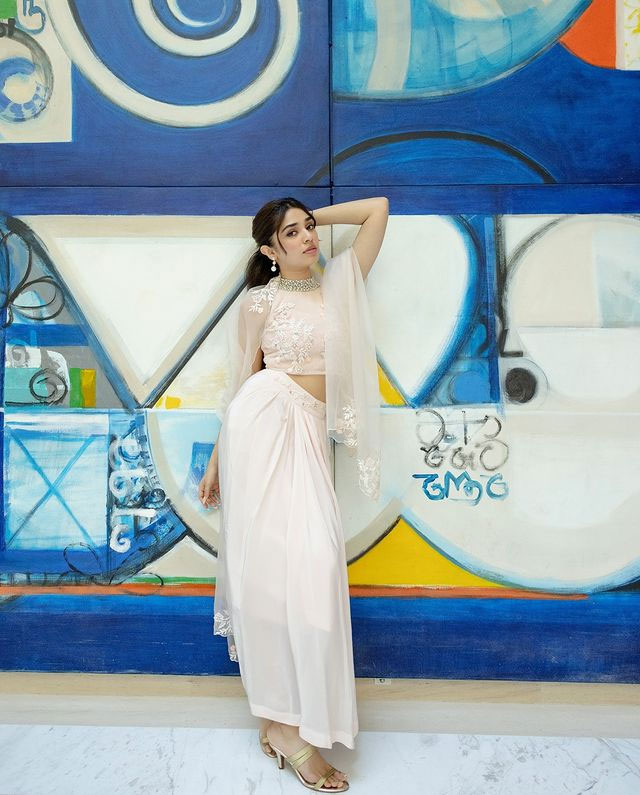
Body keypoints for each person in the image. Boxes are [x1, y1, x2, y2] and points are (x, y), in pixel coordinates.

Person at [199, 196, 388, 791]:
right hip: (260, 426)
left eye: (309, 228)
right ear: (268, 249)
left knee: (316, 565)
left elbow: (378, 210)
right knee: (265, 575)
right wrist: (216, 461)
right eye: (291, 233)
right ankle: (283, 728)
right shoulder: (258, 302)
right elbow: (242, 381)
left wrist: (309, 217)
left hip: (306, 432)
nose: (307, 237)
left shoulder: (340, 284)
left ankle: (286, 721)